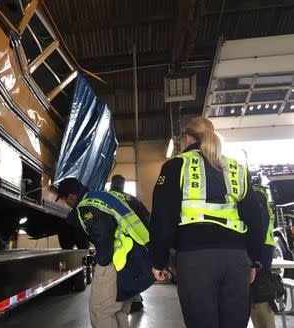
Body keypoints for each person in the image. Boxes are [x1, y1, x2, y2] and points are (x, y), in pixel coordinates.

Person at [150, 117, 264, 328]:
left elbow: (163, 218)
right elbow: (256, 218)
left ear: (186, 138)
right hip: (237, 259)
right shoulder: (237, 168)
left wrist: (158, 259)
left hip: (196, 260)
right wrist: (254, 259)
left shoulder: (176, 165)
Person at [57, 177, 154, 328]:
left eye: (65, 200)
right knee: (119, 311)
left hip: (117, 260)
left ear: (70, 196)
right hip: (136, 259)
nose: (67, 204)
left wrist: (101, 260)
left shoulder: (87, 205)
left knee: (100, 311)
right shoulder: (104, 197)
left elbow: (103, 235)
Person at [110, 174, 149, 312]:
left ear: (112, 184)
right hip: (132, 242)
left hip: (111, 244)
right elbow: (146, 218)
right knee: (133, 270)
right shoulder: (133, 199)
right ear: (123, 184)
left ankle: (116, 302)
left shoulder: (104, 198)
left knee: (113, 273)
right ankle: (136, 300)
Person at [250, 179, 276, 328]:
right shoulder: (257, 192)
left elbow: (260, 224)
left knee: (260, 294)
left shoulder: (256, 193)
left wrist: (256, 257)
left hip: (261, 247)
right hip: (260, 246)